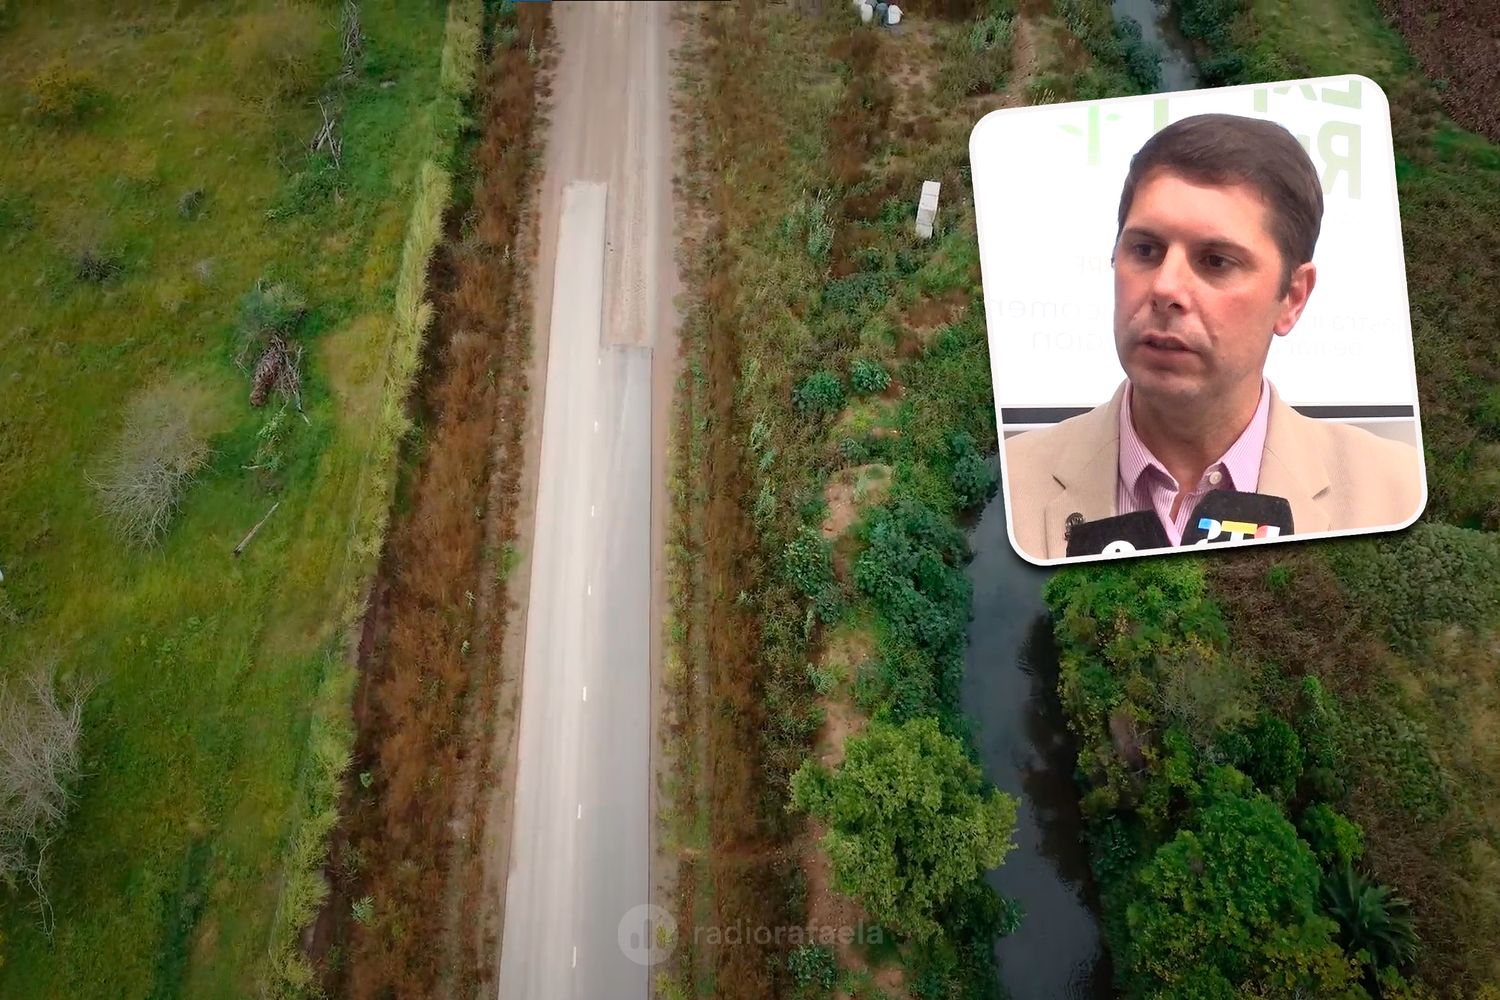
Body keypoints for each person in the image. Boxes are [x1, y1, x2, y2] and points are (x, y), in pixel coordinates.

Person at [1003, 113, 1423, 562]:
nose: (1165, 288)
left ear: (1292, 298)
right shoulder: (1010, 481)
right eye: (1145, 250)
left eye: (1216, 261)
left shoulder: (1398, 492)